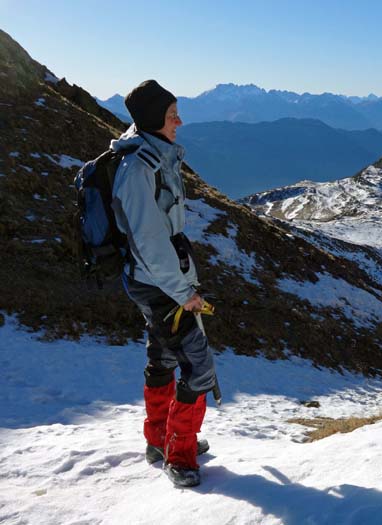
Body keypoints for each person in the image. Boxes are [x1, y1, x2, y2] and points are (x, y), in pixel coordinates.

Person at [111, 79, 216, 487]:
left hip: (156, 279)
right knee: (199, 367)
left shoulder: (154, 157)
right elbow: (150, 243)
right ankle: (180, 455)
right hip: (158, 283)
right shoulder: (138, 169)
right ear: (154, 119)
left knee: (164, 357)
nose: (180, 121)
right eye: (173, 115)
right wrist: (184, 293)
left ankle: (159, 440)